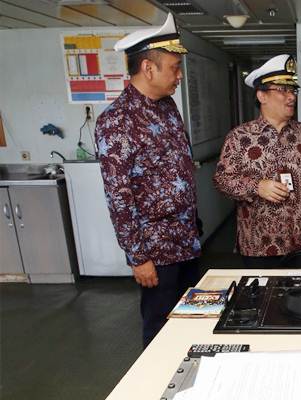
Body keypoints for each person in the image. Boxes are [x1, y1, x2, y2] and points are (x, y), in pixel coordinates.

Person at [95, 14, 202, 348]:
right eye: (174, 67)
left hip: (187, 240)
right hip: (155, 251)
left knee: (193, 319)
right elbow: (118, 197)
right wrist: (138, 257)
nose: (179, 75)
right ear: (148, 68)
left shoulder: (168, 107)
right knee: (159, 330)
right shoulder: (116, 121)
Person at [213, 54, 301, 267]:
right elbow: (222, 181)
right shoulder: (239, 137)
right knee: (263, 300)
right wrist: (257, 187)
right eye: (282, 90)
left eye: (292, 90)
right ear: (262, 96)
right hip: (259, 245)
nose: (291, 96)